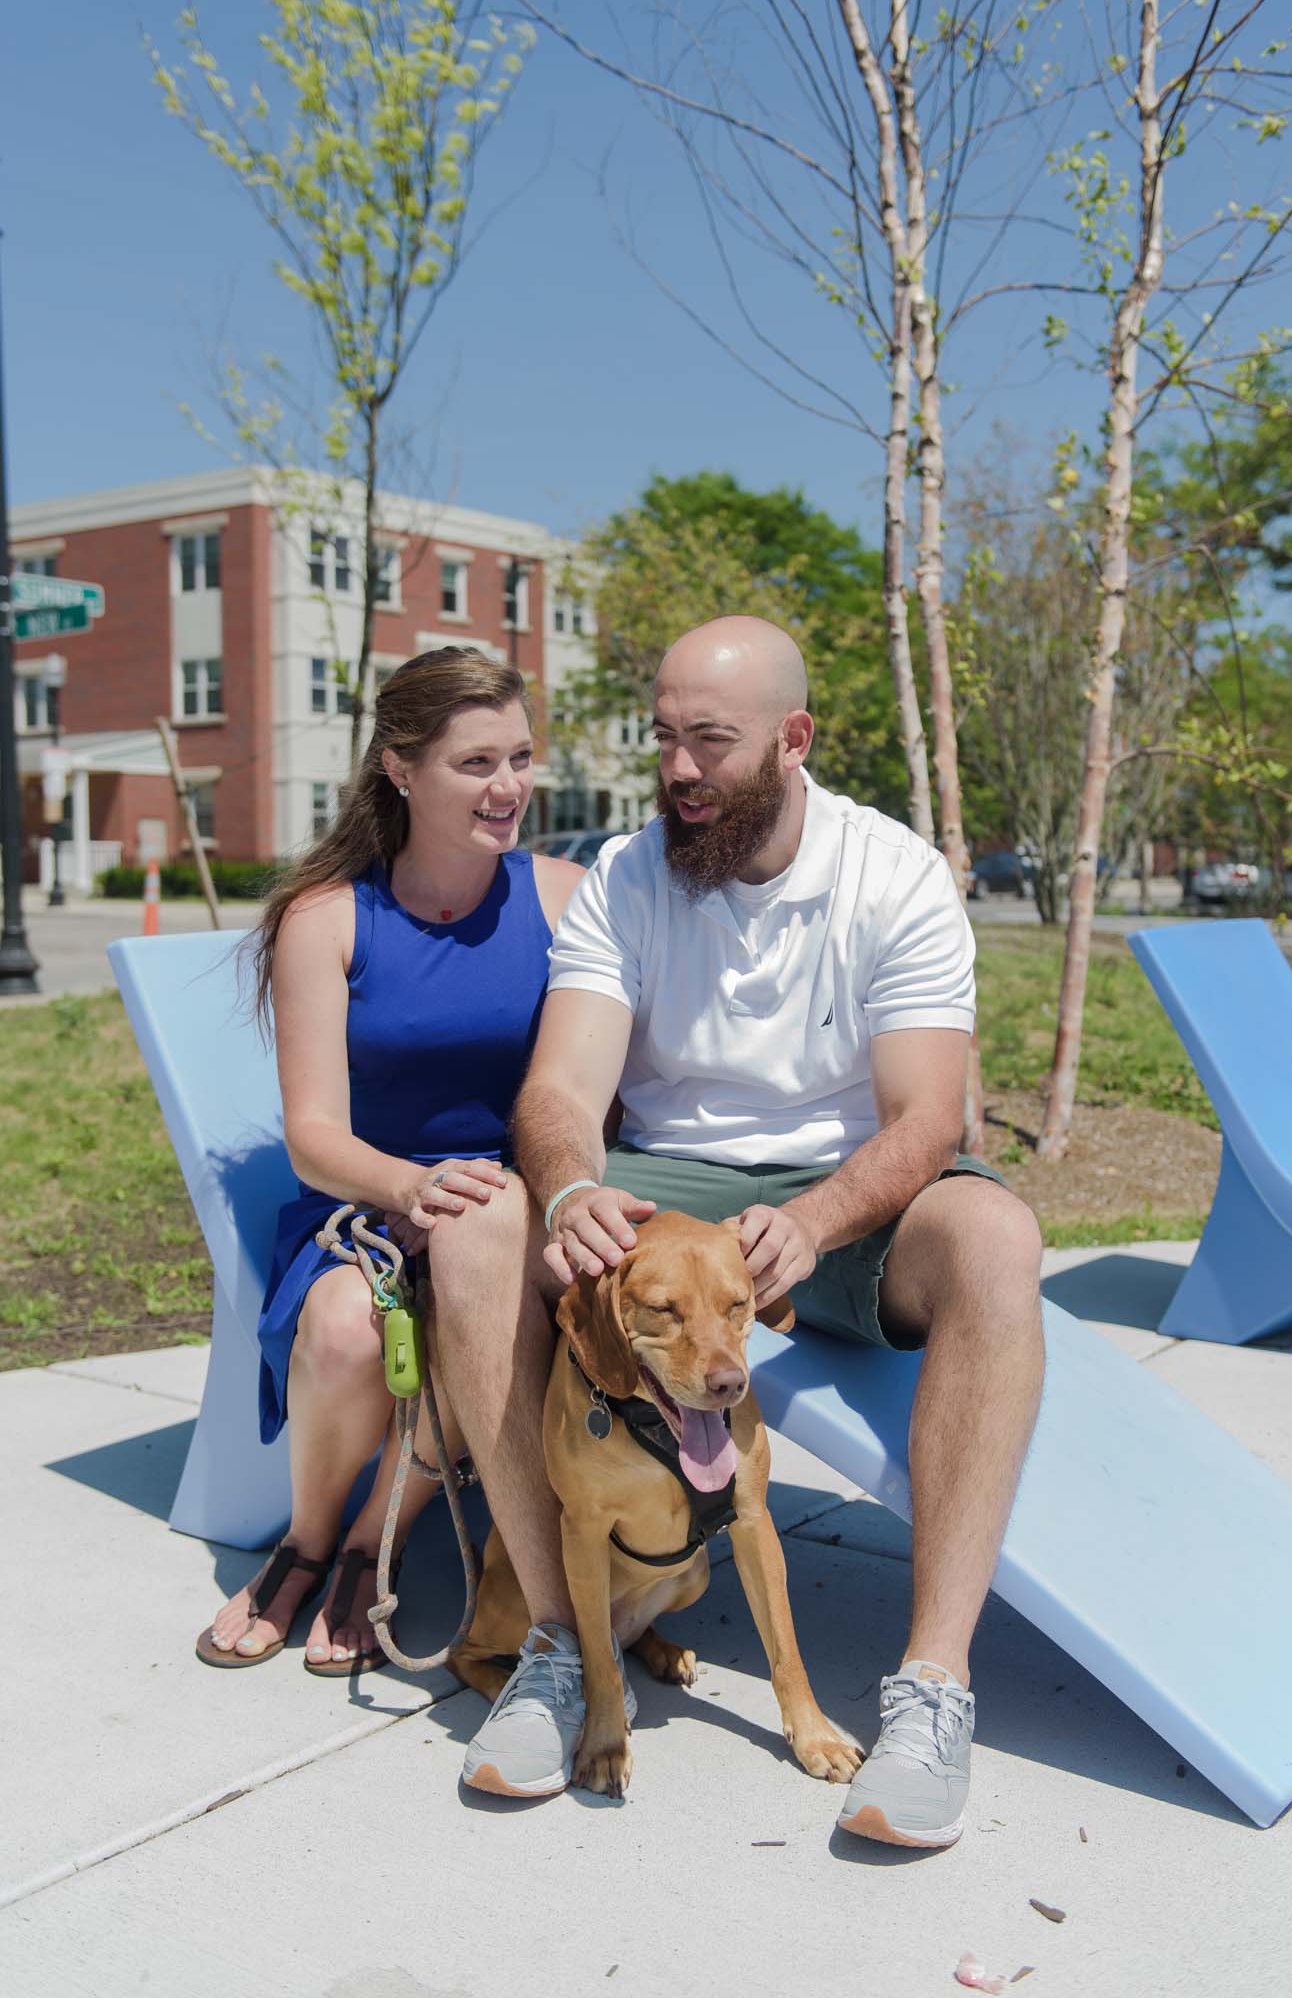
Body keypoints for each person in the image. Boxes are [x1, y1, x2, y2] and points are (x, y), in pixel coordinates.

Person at [457, 614, 1044, 1847]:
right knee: (479, 1226)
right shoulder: (629, 874)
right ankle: (560, 1646)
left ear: (793, 739)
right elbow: (560, 1095)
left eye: (709, 741)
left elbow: (932, 1113)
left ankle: (932, 1689)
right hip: (667, 1194)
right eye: (665, 738)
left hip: (844, 1196)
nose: (679, 768)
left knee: (993, 1236)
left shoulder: (893, 874)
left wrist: (820, 1218)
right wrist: (568, 1193)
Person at [196, 647, 583, 1674]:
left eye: (521, 756)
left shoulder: (564, 897)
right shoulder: (328, 916)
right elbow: (313, 1130)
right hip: (365, 1201)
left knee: (482, 1304)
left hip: (513, 1205)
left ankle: (378, 1538)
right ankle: (307, 1539)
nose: (509, 787)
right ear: (401, 768)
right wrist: (406, 1185)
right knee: (337, 1332)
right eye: (475, 762)